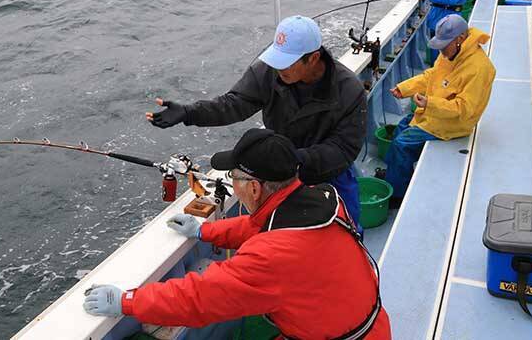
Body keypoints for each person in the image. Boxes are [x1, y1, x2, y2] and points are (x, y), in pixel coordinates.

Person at [83, 128, 391, 340]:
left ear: (254, 187)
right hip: (368, 326)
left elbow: (199, 297)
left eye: (235, 177)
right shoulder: (322, 199)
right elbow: (259, 226)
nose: (233, 182)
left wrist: (127, 301)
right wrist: (206, 230)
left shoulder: (272, 258)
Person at [145, 15, 367, 229]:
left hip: (327, 173)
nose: (280, 69)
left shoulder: (349, 90)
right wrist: (188, 113)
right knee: (277, 234)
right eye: (277, 59)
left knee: (347, 229)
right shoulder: (269, 71)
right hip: (278, 174)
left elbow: (343, 148)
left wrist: (292, 160)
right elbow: (233, 104)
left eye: (287, 63)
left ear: (314, 58)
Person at [382, 15, 496, 205]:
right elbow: (430, 76)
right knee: (401, 126)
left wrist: (429, 104)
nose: (441, 51)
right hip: (435, 113)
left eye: (444, 45)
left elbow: (464, 109)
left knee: (401, 144)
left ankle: (397, 196)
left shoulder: (479, 69)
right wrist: (405, 88)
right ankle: (395, 175)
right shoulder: (451, 56)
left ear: (460, 39)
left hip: (454, 124)